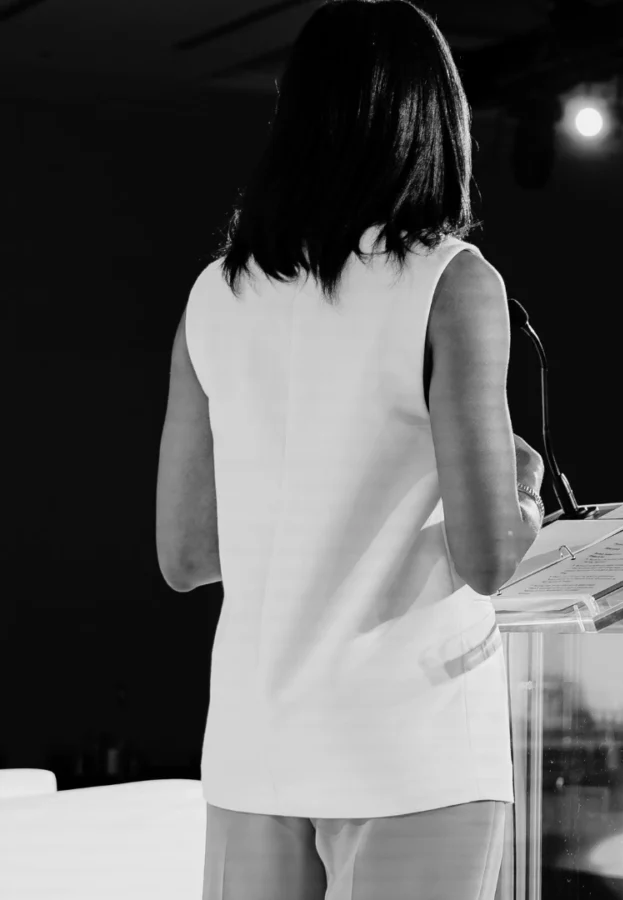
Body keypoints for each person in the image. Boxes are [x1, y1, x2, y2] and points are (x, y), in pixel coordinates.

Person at [153, 2, 543, 897]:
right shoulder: (452, 281)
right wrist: (521, 486)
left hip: (255, 751)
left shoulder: (214, 294)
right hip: (412, 750)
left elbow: (185, 558)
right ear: (435, 122)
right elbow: (489, 557)